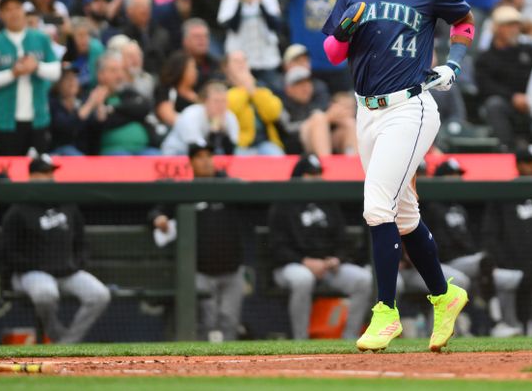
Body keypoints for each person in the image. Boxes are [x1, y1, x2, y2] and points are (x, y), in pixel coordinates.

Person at [321, 0, 473, 352]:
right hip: (366, 112)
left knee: (376, 206)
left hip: (411, 107)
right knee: (403, 216)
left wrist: (454, 65)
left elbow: (463, 22)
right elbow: (331, 53)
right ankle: (445, 296)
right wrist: (347, 27)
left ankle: (385, 313)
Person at [1, 154, 111, 343]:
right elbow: (7, 252)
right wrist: (35, 265)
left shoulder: (66, 203)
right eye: (45, 173)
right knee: (46, 294)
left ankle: (67, 343)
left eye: (51, 172)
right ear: (32, 176)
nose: (50, 177)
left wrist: (76, 263)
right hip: (33, 273)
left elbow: (81, 242)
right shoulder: (19, 209)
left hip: (66, 272)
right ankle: (54, 332)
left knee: (100, 294)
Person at [413, 158, 523, 338]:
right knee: (464, 278)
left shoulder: (459, 207)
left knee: (502, 274)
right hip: (440, 262)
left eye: (458, 176)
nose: (456, 180)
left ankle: (499, 323)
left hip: (460, 261)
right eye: (451, 176)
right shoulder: (430, 205)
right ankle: (488, 324)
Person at [268, 154, 373, 340]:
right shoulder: (283, 203)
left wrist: (337, 258)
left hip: (327, 267)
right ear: (299, 176)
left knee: (363, 280)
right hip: (293, 265)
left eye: (318, 173)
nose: (316, 178)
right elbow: (277, 247)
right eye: (311, 174)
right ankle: (301, 340)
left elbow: (342, 240)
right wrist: (304, 261)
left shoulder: (327, 201)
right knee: (303, 279)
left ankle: (350, 338)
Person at [150, 140, 245, 341]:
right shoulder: (186, 190)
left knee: (229, 321)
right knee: (206, 323)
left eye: (209, 156)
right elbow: (156, 211)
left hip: (232, 271)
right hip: (200, 272)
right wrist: (158, 218)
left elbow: (251, 198)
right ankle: (201, 369)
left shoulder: (228, 187)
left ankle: (231, 369)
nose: (206, 161)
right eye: (200, 157)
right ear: (191, 162)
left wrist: (222, 178)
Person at [482, 144, 532, 335]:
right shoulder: (504, 193)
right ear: (519, 165)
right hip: (512, 273)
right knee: (513, 330)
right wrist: (503, 262)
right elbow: (490, 234)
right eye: (529, 163)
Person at [0, 0, 60, 155]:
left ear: (24, 11)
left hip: (38, 117)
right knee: (12, 168)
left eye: (17, 8)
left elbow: (56, 71)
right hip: (7, 119)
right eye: (8, 9)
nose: (13, 13)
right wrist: (12, 73)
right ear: (1, 15)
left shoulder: (41, 38)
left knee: (40, 166)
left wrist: (36, 67)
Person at [475, 6, 532, 151]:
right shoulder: (485, 58)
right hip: (506, 102)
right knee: (494, 105)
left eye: (517, 25)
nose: (514, 29)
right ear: (497, 28)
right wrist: (512, 97)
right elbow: (485, 86)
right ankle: (506, 149)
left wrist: (531, 97)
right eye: (509, 25)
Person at [93, 51, 158, 155]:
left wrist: (113, 109)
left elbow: (145, 107)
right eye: (113, 71)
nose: (119, 76)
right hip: (113, 152)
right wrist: (132, 114)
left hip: (145, 150)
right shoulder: (94, 98)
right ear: (100, 75)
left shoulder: (127, 93)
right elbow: (101, 123)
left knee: (158, 157)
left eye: (120, 71)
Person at [161, 81, 239, 156]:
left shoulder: (230, 117)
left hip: (206, 158)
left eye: (223, 101)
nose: (220, 106)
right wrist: (213, 133)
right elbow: (196, 147)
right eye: (216, 101)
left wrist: (222, 132)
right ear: (205, 101)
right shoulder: (191, 114)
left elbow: (233, 147)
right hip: (177, 154)